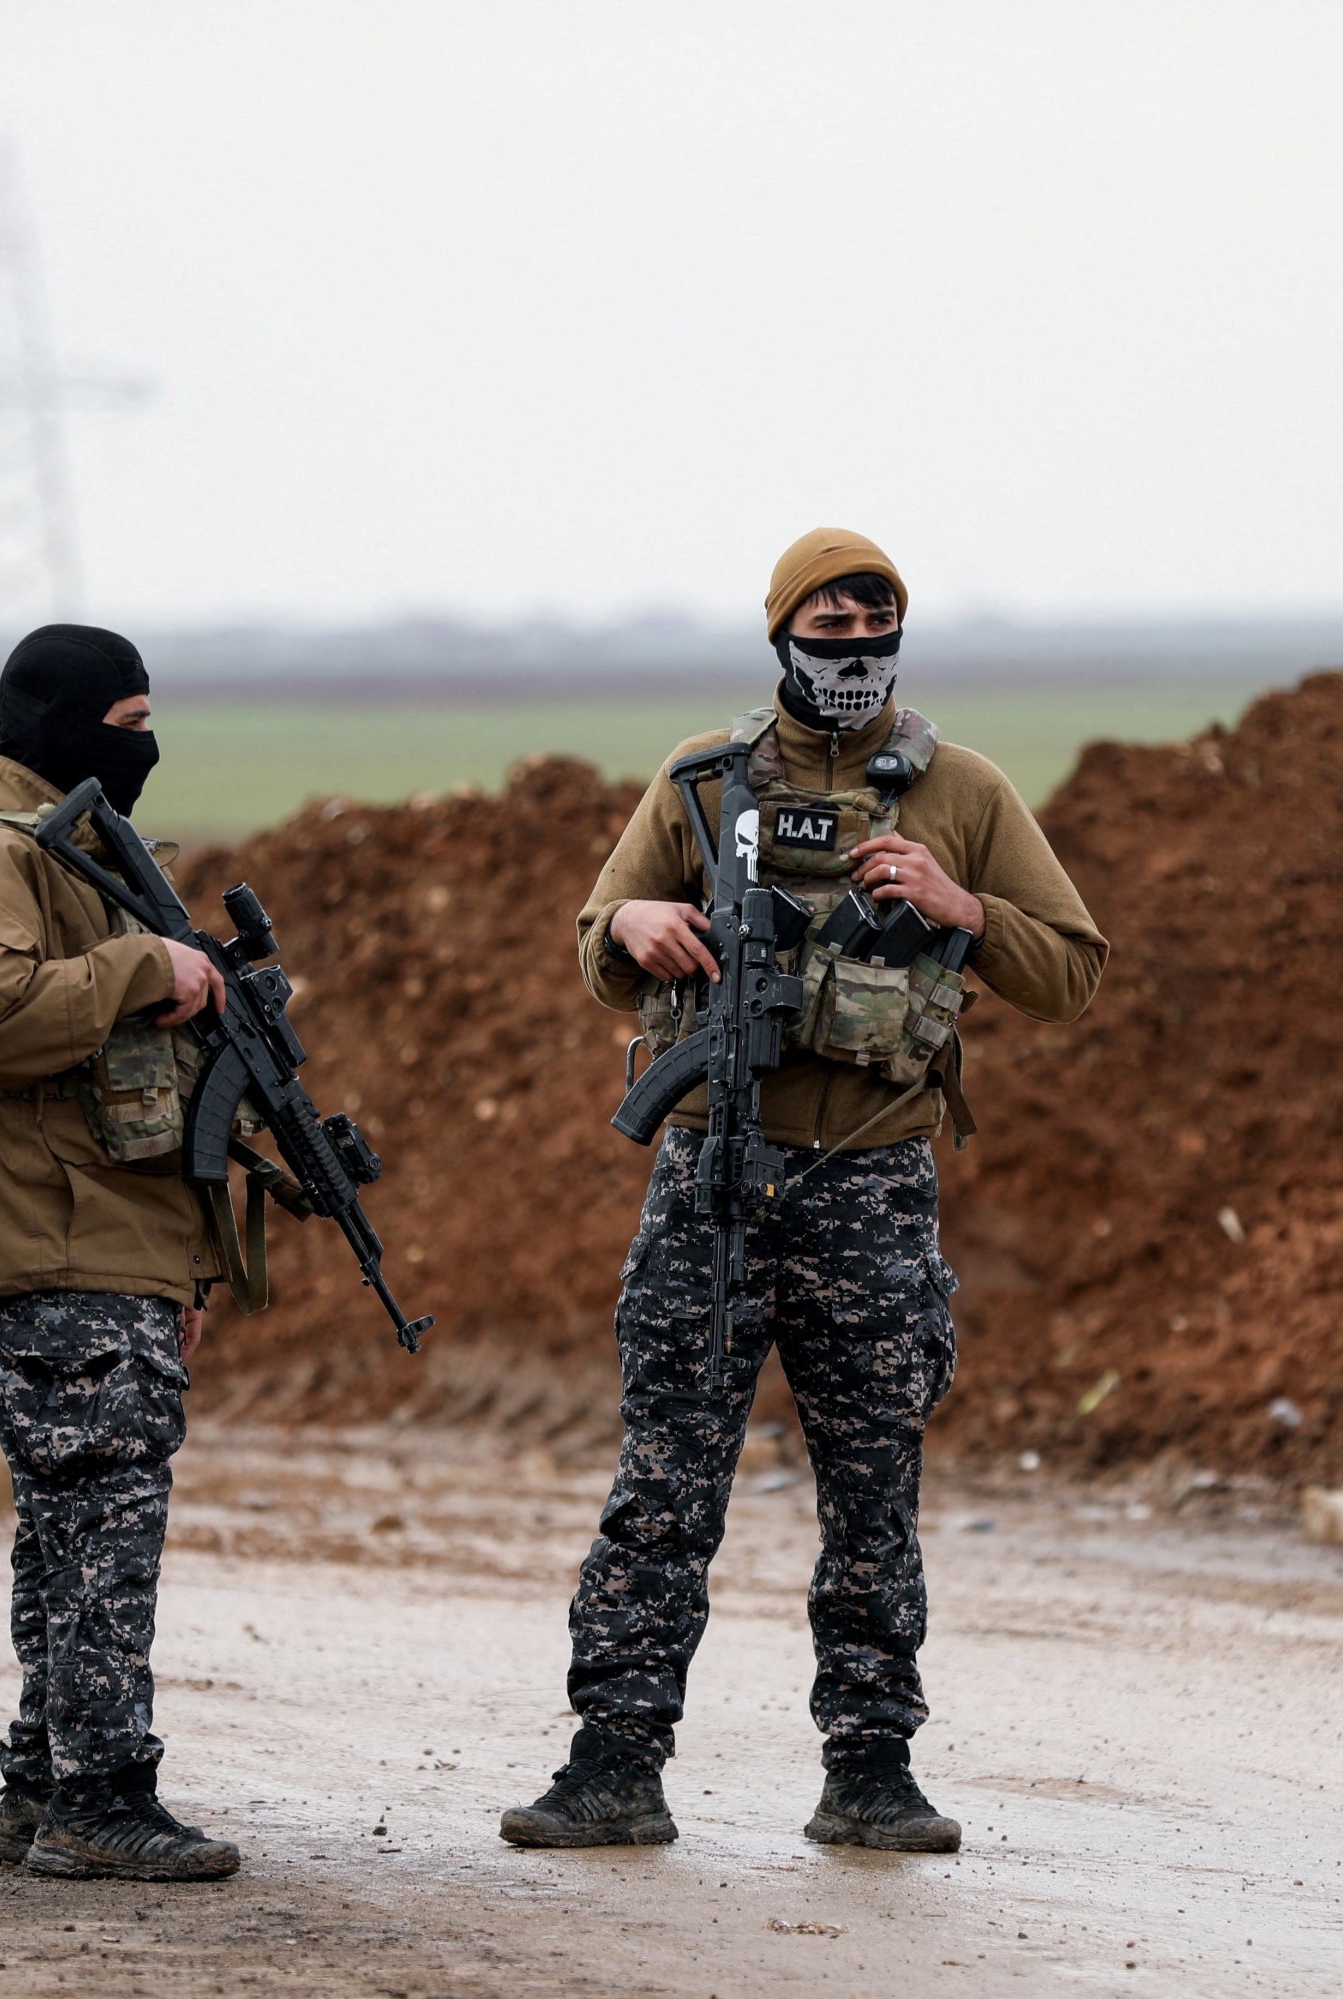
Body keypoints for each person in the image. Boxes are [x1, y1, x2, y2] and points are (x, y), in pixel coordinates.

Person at [502, 528, 1109, 1852]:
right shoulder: (700, 779)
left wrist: (962, 906)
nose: (855, 651)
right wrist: (631, 924)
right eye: (829, 630)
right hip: (712, 1176)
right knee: (666, 1477)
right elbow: (599, 946)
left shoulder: (961, 790)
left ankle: (871, 1766)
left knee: (873, 1485)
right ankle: (613, 1761)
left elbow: (1072, 970)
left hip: (871, 1186)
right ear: (782, 636)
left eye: (875, 628)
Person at [0, 624, 240, 1882]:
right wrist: (142, 964)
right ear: (61, 720)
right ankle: (101, 1796)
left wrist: (186, 1266)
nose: (147, 745)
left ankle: (43, 1784)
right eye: (128, 722)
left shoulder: (84, 855)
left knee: (70, 1525)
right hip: (53, 1236)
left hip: (104, 1235)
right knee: (102, 1521)